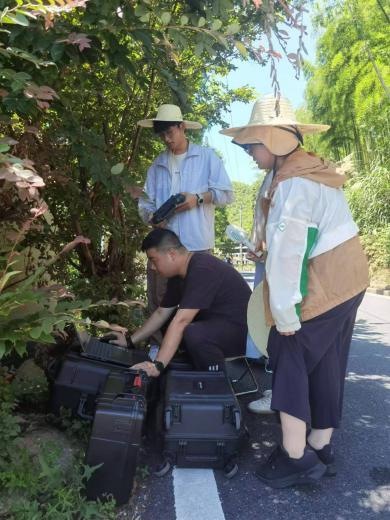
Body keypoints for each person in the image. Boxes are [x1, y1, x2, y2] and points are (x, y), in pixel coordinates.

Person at [220, 94, 369, 488]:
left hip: (327, 281)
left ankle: (295, 456)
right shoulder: (300, 170)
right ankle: (321, 446)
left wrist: (285, 318)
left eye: (251, 143)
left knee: (290, 354)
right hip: (350, 278)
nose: (248, 152)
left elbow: (288, 257)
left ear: (272, 138)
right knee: (327, 361)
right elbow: (287, 237)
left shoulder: (294, 185)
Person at [136, 104, 234, 344]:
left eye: (170, 133)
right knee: (160, 301)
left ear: (182, 127)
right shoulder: (157, 165)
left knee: (199, 304)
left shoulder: (207, 157)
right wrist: (152, 217)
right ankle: (158, 352)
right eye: (162, 136)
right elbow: (145, 204)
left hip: (196, 246)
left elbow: (227, 195)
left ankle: (195, 352)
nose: (167, 140)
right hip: (164, 246)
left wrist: (198, 199)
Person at [109, 228, 251, 377]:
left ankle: (215, 381)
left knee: (192, 331)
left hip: (241, 332)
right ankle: (184, 365)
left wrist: (157, 365)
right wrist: (129, 341)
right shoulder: (178, 276)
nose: (152, 266)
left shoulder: (202, 269)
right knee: (169, 321)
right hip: (216, 324)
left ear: (171, 254)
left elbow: (182, 321)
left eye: (153, 259)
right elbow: (161, 313)